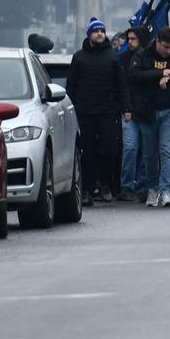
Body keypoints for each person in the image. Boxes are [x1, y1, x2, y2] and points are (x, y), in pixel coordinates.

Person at [66, 18, 132, 204]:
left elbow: (121, 85)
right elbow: (71, 85)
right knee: (87, 152)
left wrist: (126, 108)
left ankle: (105, 184)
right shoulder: (79, 57)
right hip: (85, 112)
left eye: (102, 31)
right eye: (96, 31)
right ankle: (86, 189)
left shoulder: (113, 57)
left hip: (108, 112)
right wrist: (70, 108)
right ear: (89, 35)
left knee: (109, 150)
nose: (100, 34)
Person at [128, 28, 170, 207]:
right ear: (157, 41)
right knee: (150, 154)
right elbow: (134, 75)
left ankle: (166, 191)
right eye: (165, 47)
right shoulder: (142, 56)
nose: (168, 51)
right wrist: (159, 73)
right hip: (147, 111)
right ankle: (152, 188)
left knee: (167, 150)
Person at [118, 26, 150, 201]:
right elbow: (121, 87)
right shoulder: (122, 59)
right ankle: (127, 186)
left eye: (133, 39)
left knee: (146, 151)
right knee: (130, 149)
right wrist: (125, 108)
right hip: (129, 111)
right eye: (128, 39)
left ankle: (143, 186)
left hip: (145, 111)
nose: (129, 42)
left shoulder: (149, 59)